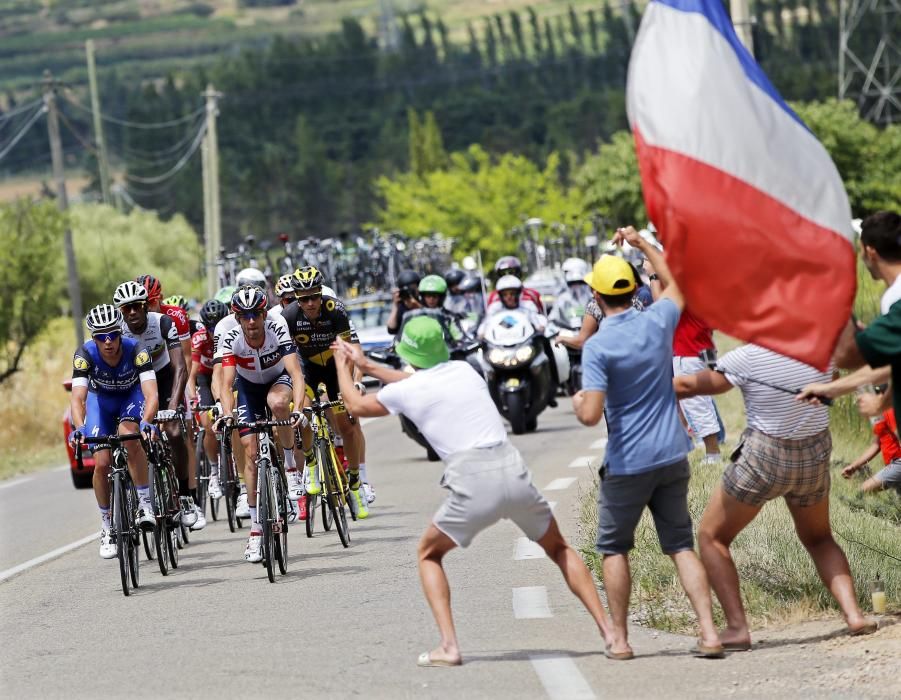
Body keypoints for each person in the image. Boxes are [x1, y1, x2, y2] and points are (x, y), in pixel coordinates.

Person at [330, 317, 614, 666]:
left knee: (428, 554)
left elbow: (357, 407)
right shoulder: (465, 370)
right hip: (511, 468)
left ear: (409, 354)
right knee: (558, 548)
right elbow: (419, 381)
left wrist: (345, 368)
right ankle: (611, 634)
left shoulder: (407, 390)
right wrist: (368, 364)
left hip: (472, 480)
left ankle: (449, 646)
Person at [573, 227, 723, 660]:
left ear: (597, 297)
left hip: (627, 461)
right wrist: (642, 245)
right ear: (636, 289)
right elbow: (677, 285)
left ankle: (619, 639)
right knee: (680, 544)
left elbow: (588, 415)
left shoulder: (598, 347)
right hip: (673, 453)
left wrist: (580, 402)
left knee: (614, 548)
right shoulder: (659, 320)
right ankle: (710, 633)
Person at [674, 344, 878, 643]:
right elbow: (839, 374)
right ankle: (854, 615)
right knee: (820, 538)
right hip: (814, 455)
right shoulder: (821, 349)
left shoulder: (748, 356)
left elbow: (694, 384)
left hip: (763, 458)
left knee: (711, 536)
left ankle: (736, 628)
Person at [217, 286, 307, 563]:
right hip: (248, 388)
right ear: (238, 318)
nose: (252, 321)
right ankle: (256, 530)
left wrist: (300, 410)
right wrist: (227, 413)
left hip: (278, 379)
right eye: (245, 316)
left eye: (256, 314)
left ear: (264, 313)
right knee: (252, 451)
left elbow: (296, 372)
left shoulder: (277, 326)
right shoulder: (231, 337)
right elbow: (226, 382)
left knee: (278, 404)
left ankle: (291, 468)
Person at [280, 266, 371, 518]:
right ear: (297, 298)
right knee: (303, 413)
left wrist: (348, 385)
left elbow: (348, 350)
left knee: (348, 425)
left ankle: (355, 484)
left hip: (335, 367)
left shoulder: (336, 310)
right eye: (304, 298)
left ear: (321, 293)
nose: (310, 303)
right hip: (306, 369)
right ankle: (310, 461)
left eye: (314, 296)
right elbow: (288, 359)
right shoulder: (288, 316)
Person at [69, 304, 158, 558]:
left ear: (120, 333)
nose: (107, 342)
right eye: (100, 336)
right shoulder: (84, 354)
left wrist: (147, 421)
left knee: (130, 438)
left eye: (112, 335)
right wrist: (80, 428)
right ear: (93, 338)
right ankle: (107, 526)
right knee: (101, 463)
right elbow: (78, 399)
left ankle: (144, 503)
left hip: (131, 396)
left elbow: (151, 392)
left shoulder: (137, 350)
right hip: (101, 402)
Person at [113, 280, 203, 530]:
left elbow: (180, 366)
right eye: (126, 308)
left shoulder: (163, 323)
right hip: (136, 383)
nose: (132, 312)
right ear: (121, 312)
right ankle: (134, 496)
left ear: (146, 306)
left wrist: (173, 404)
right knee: (127, 436)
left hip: (164, 379)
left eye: (137, 306)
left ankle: (185, 496)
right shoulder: (118, 331)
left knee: (174, 432)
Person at [799, 212, 901, 417]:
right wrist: (830, 389)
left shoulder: (896, 297)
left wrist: (832, 276)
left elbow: (846, 355)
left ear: (870, 251)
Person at [187, 299, 229, 499]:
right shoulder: (199, 338)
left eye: (218, 324)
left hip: (228, 376)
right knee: (206, 422)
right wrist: (193, 397)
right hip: (205, 378)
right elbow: (191, 374)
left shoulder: (231, 332)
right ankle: (214, 471)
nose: (214, 331)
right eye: (210, 327)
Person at [672, 310, 722, 463]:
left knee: (696, 404)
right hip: (703, 347)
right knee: (703, 403)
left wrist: (655, 284)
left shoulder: (686, 290)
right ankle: (712, 452)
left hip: (689, 351)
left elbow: (662, 303)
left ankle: (713, 454)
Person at [841, 400, 901, 494]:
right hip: (892, 464)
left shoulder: (890, 410)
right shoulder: (878, 415)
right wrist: (854, 466)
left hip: (898, 463)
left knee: (862, 491)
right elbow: (876, 444)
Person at [386, 269, 422, 335]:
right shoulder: (400, 307)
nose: (409, 293)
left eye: (413, 289)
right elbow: (391, 329)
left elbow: (431, 318)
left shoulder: (424, 302)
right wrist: (395, 305)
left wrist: (416, 305)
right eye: (406, 290)